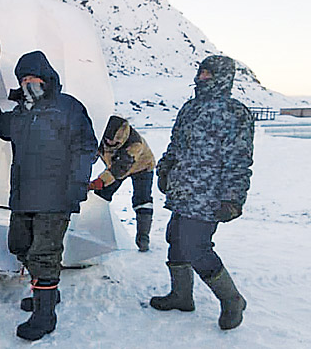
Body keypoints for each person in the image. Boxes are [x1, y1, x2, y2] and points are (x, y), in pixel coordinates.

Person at [0, 51, 97, 341]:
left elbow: (86, 147)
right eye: (23, 79)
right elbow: (0, 127)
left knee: (44, 254)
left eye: (33, 78)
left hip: (56, 196)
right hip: (25, 194)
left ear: (47, 79)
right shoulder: (22, 113)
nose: (28, 83)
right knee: (20, 246)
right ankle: (46, 292)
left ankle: (44, 315)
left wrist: (77, 185)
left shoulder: (67, 107)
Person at [150, 55, 254, 330]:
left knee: (197, 247)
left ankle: (232, 300)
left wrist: (233, 199)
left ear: (222, 77)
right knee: (174, 238)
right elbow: (175, 145)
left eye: (208, 73)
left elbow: (239, 160)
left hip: (210, 195)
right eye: (201, 72)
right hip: (183, 190)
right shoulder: (190, 108)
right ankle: (181, 296)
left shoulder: (235, 112)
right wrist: (165, 169)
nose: (202, 77)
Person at [89, 115, 155, 251]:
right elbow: (90, 155)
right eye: (106, 140)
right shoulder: (101, 135)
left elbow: (118, 170)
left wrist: (98, 182)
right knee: (100, 197)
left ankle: (143, 237)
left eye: (113, 142)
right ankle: (94, 230)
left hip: (142, 167)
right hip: (114, 166)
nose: (109, 143)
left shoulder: (135, 144)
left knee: (142, 201)